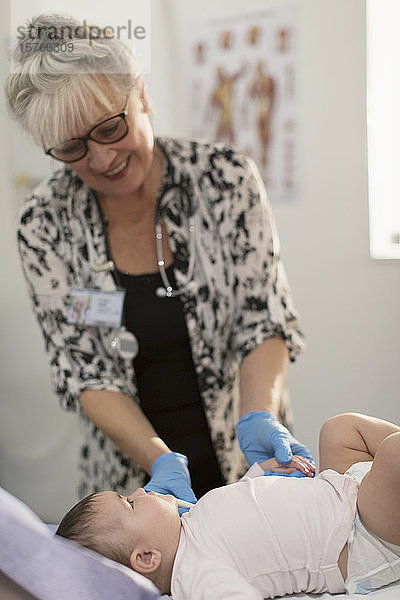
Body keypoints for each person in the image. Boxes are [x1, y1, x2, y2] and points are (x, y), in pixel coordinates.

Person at [5, 13, 309, 504]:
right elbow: (85, 371)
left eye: (108, 128)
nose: (101, 160)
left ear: (140, 95)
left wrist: (259, 416)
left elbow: (263, 319)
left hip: (250, 466)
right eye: (71, 147)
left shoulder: (223, 180)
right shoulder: (46, 224)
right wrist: (159, 461)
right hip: (134, 487)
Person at [56, 412, 400, 598]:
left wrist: (263, 470)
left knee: (340, 429)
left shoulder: (191, 522)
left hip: (341, 491)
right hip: (359, 539)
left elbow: (244, 505)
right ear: (147, 557)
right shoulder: (196, 573)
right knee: (392, 453)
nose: (142, 491)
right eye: (130, 504)